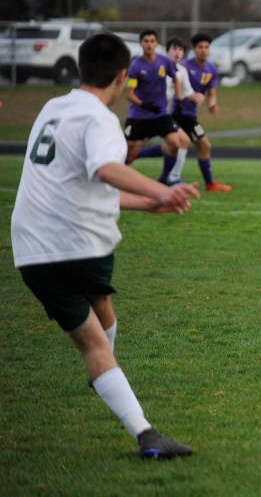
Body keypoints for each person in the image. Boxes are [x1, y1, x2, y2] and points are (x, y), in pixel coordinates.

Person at [11, 32, 200, 459]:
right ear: (121, 76)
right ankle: (124, 401)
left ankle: (121, 399)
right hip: (79, 242)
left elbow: (76, 186)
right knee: (98, 338)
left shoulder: (51, 108)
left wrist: (146, 204)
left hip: (30, 251)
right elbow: (105, 169)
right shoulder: (100, 119)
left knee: (96, 319)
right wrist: (162, 191)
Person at [132, 37, 202, 184]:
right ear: (167, 51)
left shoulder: (182, 71)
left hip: (164, 115)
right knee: (133, 147)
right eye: (174, 49)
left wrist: (196, 96)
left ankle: (170, 177)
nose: (177, 53)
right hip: (148, 114)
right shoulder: (158, 66)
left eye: (181, 50)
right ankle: (130, 160)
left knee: (182, 141)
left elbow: (186, 92)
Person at [123, 29, 183, 184]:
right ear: (141, 44)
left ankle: (164, 178)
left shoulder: (165, 61)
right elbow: (129, 94)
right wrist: (144, 104)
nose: (149, 44)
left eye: (152, 41)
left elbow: (176, 79)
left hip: (160, 114)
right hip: (139, 116)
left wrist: (179, 98)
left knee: (175, 144)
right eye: (146, 41)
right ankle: (117, 181)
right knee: (128, 153)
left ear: (156, 43)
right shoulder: (135, 66)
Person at [174, 32, 232, 193]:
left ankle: (208, 183)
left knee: (200, 145)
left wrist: (212, 104)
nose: (203, 50)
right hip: (176, 112)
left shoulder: (211, 69)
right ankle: (205, 183)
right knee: (200, 144)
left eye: (206, 47)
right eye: (200, 47)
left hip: (190, 115)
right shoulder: (184, 66)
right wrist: (188, 97)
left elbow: (212, 93)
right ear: (194, 49)